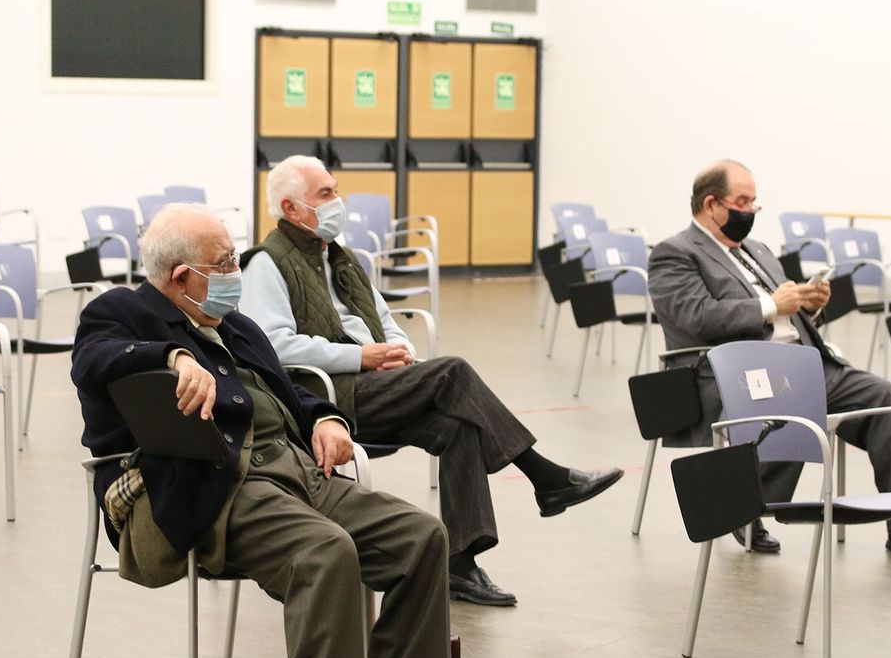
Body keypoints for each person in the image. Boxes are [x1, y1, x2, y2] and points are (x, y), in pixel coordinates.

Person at [71, 204, 489, 658]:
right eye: (223, 263)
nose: (236, 271)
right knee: (325, 553)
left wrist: (327, 418)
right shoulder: (123, 312)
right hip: (211, 485)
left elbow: (288, 387)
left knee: (420, 538)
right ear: (182, 277)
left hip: (295, 469)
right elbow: (93, 358)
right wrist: (173, 356)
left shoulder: (235, 323)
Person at [238, 155, 624, 606]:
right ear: (291, 209)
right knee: (453, 372)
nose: (337, 201)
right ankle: (545, 476)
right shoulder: (267, 264)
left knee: (457, 425)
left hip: (373, 384)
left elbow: (383, 317)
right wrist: (361, 356)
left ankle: (461, 565)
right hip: (329, 398)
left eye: (335, 190)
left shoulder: (339, 257)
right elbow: (272, 345)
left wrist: (402, 354)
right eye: (325, 195)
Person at [646, 159, 891, 556]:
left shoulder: (757, 250)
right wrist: (769, 304)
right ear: (711, 205)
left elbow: (784, 312)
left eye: (754, 202)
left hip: (804, 361)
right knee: (791, 400)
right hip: (737, 370)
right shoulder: (674, 253)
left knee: (881, 395)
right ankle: (746, 508)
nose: (750, 211)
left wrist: (809, 306)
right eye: (742, 201)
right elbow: (695, 317)